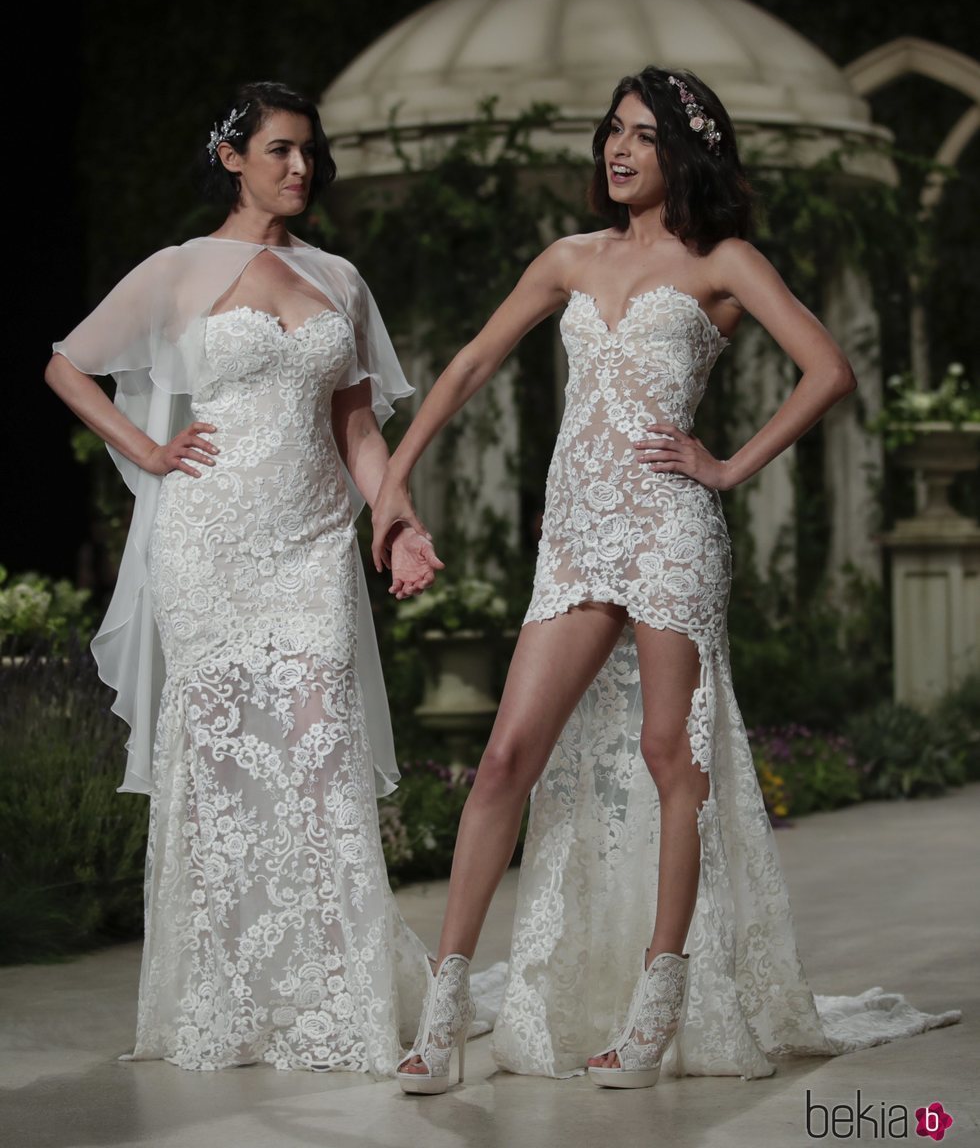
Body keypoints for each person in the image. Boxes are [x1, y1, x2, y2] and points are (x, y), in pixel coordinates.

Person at [371, 66, 961, 1093]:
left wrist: (727, 464)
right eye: (611, 131)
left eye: (640, 135)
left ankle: (655, 1002)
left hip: (669, 528)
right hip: (576, 534)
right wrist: (394, 481)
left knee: (665, 750)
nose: (617, 147)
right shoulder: (567, 256)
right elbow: (466, 364)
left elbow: (827, 367)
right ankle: (442, 1015)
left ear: (681, 153)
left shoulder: (720, 260)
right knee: (506, 754)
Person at [45, 82, 444, 1073]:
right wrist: (146, 446)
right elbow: (65, 364)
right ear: (230, 156)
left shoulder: (340, 280)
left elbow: (355, 423)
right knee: (221, 768)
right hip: (207, 542)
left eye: (310, 151)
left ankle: (338, 995)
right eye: (279, 150)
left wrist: (393, 516)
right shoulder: (180, 270)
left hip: (310, 541)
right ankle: (229, 996)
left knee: (319, 755)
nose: (300, 167)